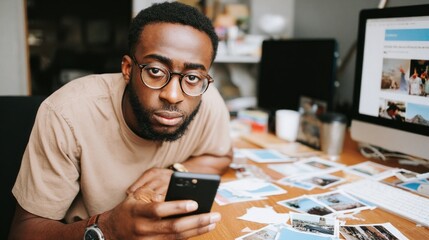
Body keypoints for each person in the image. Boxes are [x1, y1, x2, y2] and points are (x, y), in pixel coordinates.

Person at [9, 2, 233, 240]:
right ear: (127, 69)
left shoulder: (207, 99)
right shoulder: (66, 114)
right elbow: (23, 232)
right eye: (155, 71)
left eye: (191, 77)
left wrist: (175, 173)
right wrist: (109, 228)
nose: (173, 95)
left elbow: (221, 156)